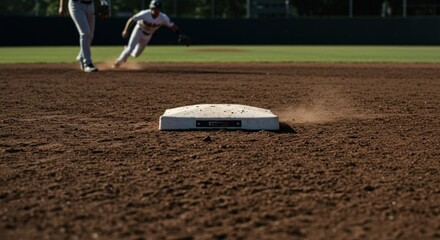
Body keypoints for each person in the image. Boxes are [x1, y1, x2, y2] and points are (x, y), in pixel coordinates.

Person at [112, 0, 187, 68]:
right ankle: (117, 62)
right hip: (138, 30)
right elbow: (132, 19)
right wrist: (126, 30)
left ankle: (127, 51)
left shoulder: (163, 18)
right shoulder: (145, 13)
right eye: (154, 8)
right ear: (151, 8)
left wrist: (180, 34)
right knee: (130, 49)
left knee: (136, 55)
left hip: (148, 35)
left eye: (158, 8)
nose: (156, 10)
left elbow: (172, 26)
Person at [59, 0, 108, 72]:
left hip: (90, 5)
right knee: (85, 33)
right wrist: (61, 6)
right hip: (76, 5)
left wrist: (103, 2)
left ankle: (81, 56)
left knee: (90, 35)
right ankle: (87, 63)